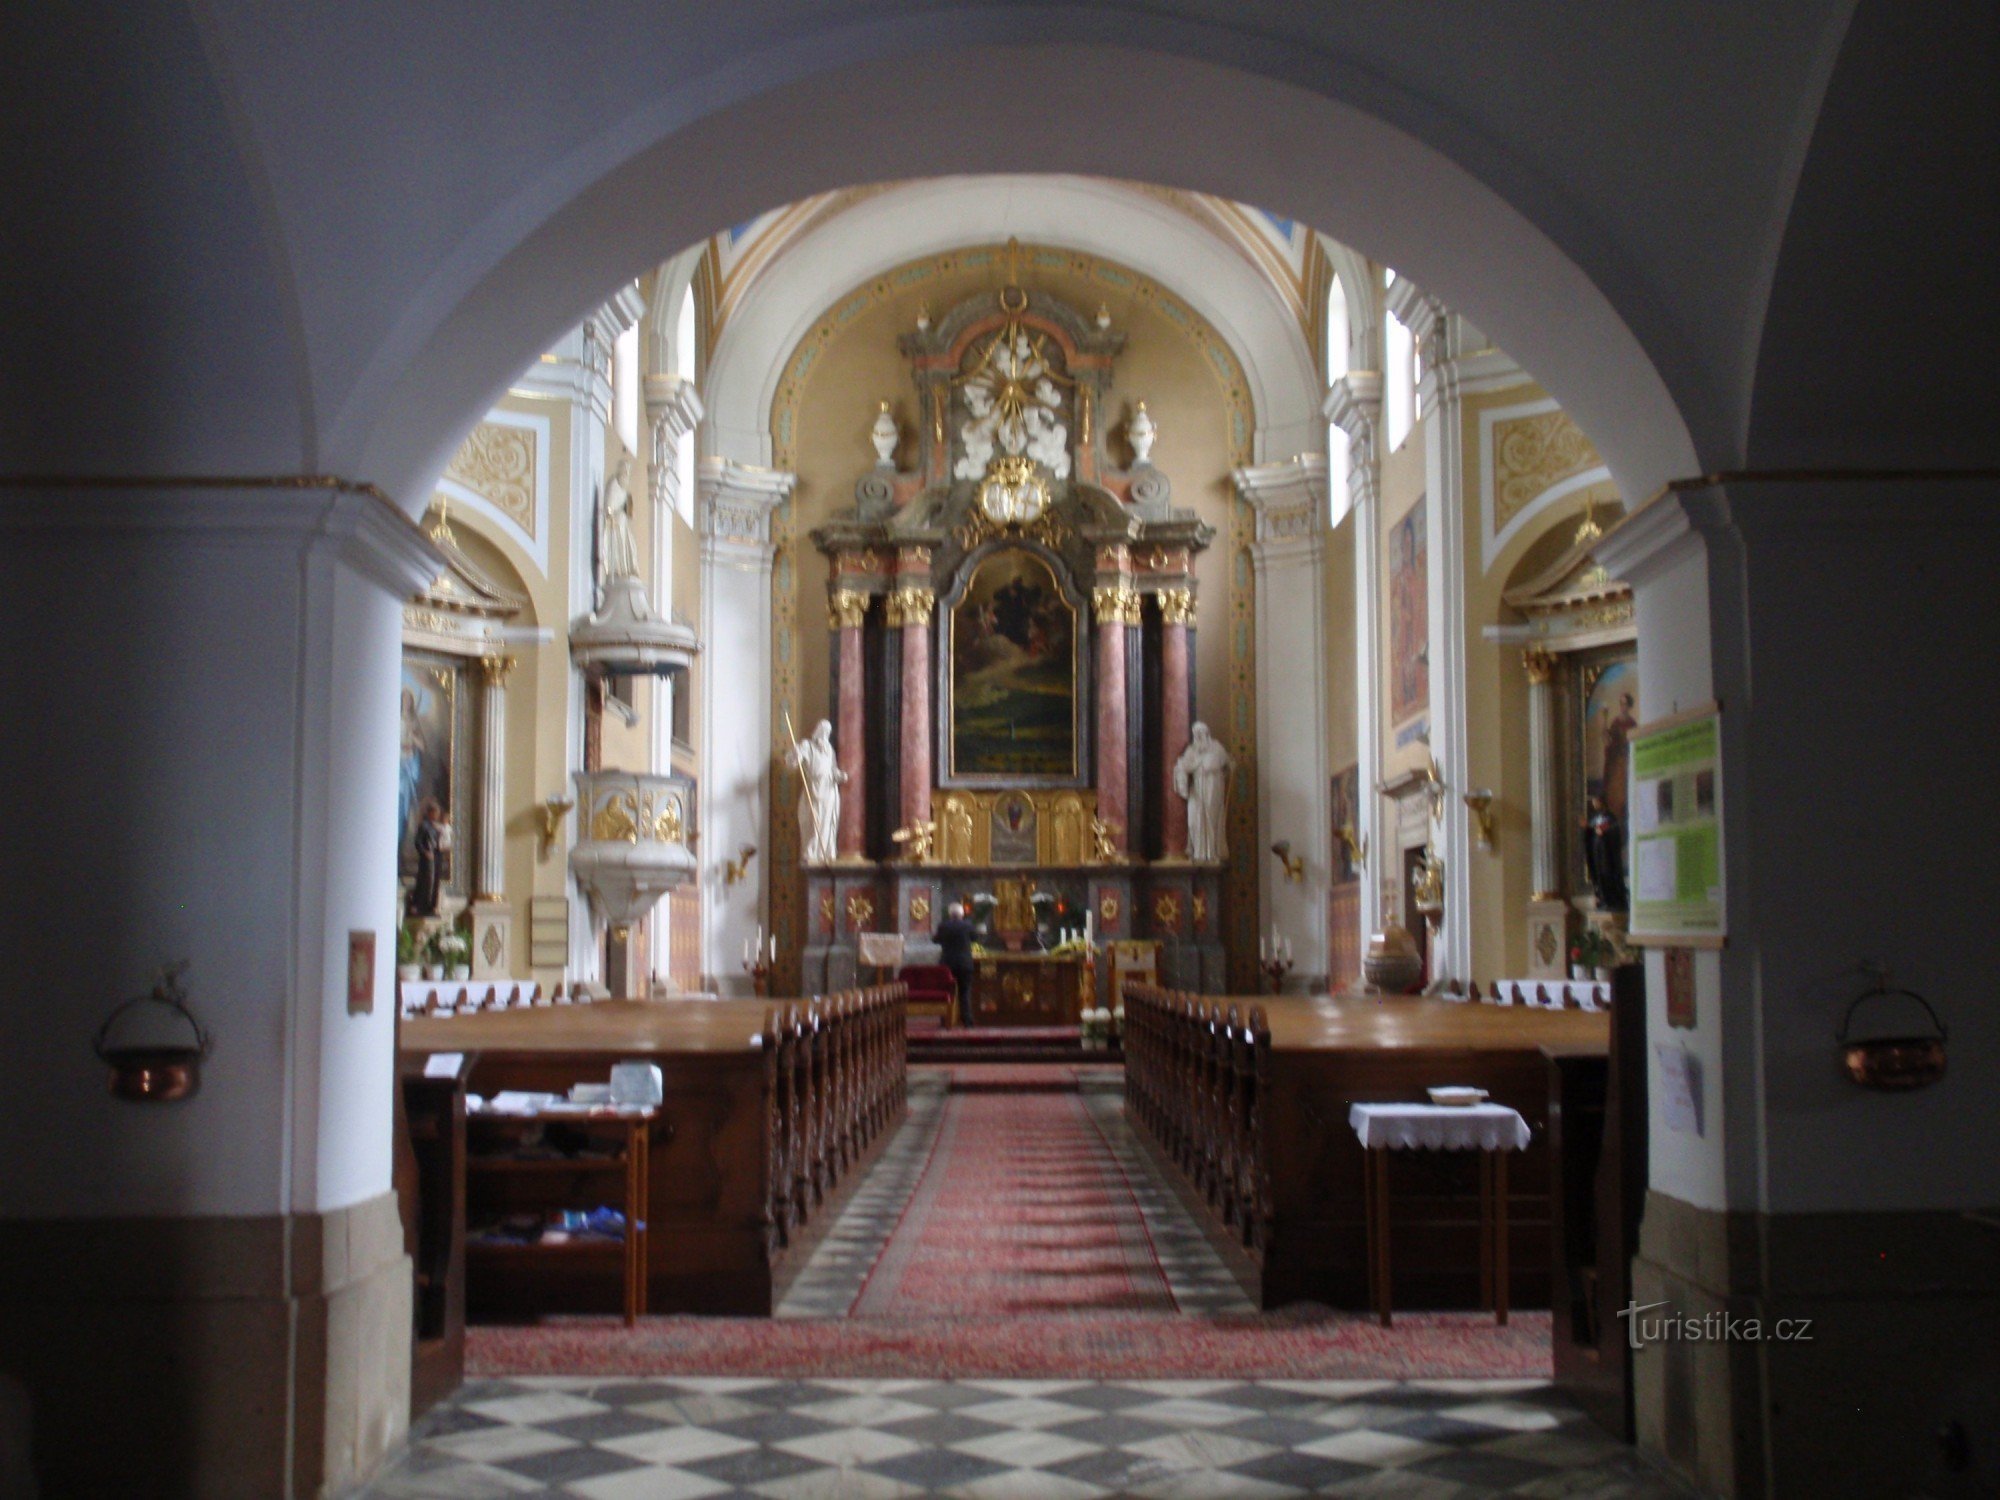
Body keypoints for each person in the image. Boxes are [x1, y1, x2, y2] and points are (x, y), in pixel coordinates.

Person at [784, 718, 847, 865]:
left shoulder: (829, 750)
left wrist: (839, 775)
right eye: (823, 731)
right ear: (818, 731)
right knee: (815, 822)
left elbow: (832, 769)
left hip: (829, 790)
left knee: (826, 823)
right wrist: (796, 755)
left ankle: (826, 852)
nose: (825, 735)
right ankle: (812, 851)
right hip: (814, 790)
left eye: (828, 732)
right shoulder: (808, 746)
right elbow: (790, 762)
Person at [1173, 721, 1234, 862]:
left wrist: (1228, 763)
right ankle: (1198, 851)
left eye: (1201, 733)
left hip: (1213, 785)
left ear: (1207, 733)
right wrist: (1181, 776)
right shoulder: (1192, 750)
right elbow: (1183, 765)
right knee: (1194, 819)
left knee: (1211, 817)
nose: (1198, 736)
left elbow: (1225, 761)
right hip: (1197, 787)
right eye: (1196, 734)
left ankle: (1211, 852)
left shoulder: (1216, 747)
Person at [932, 901, 977, 1027]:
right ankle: (967, 1021)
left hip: (947, 964)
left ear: (950, 914)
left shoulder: (943, 926)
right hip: (964, 964)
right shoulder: (968, 925)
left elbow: (935, 940)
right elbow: (975, 938)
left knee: (946, 992)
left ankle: (945, 1020)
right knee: (965, 992)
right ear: (962, 914)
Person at [407, 799, 451, 917]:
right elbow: (418, 842)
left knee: (435, 882)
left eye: (438, 813)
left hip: (437, 857)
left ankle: (432, 906)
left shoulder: (437, 827)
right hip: (427, 858)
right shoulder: (424, 826)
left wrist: (444, 847)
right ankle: (420, 906)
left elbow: (442, 840)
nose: (436, 815)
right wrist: (425, 852)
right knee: (425, 881)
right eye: (435, 813)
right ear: (430, 813)